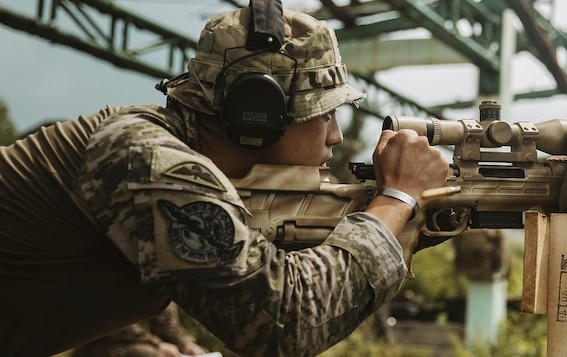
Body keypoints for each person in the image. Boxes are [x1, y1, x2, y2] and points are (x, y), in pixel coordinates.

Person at [0, 3, 448, 356]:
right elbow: (283, 323)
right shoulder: (150, 160)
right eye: (324, 112)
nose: (337, 134)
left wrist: (419, 216)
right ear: (259, 113)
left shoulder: (185, 163)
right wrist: (396, 198)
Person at [72, 303, 209, 357]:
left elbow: (165, 321)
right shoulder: (114, 274)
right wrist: (158, 344)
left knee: (201, 353)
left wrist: (185, 343)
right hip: (104, 346)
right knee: (151, 355)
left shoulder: (155, 276)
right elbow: (118, 325)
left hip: (143, 342)